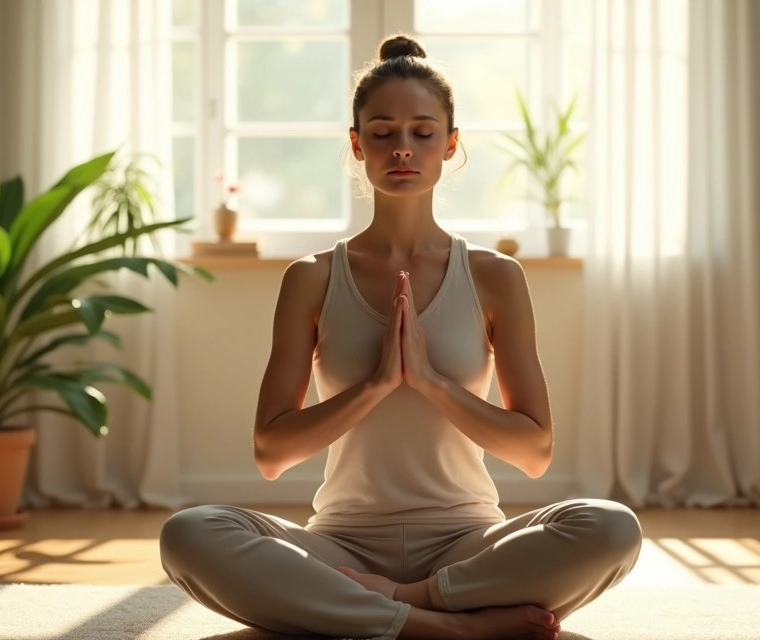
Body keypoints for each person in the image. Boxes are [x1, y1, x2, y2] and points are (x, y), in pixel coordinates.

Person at [160, 34, 643, 640]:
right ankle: (452, 630)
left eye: (423, 131)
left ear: (451, 143)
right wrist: (376, 384)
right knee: (189, 534)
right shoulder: (311, 278)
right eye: (383, 133)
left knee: (611, 526)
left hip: (469, 544)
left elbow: (534, 451)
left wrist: (434, 383)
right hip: (341, 548)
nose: (403, 149)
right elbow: (272, 453)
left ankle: (401, 604)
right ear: (357, 145)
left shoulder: (495, 276)